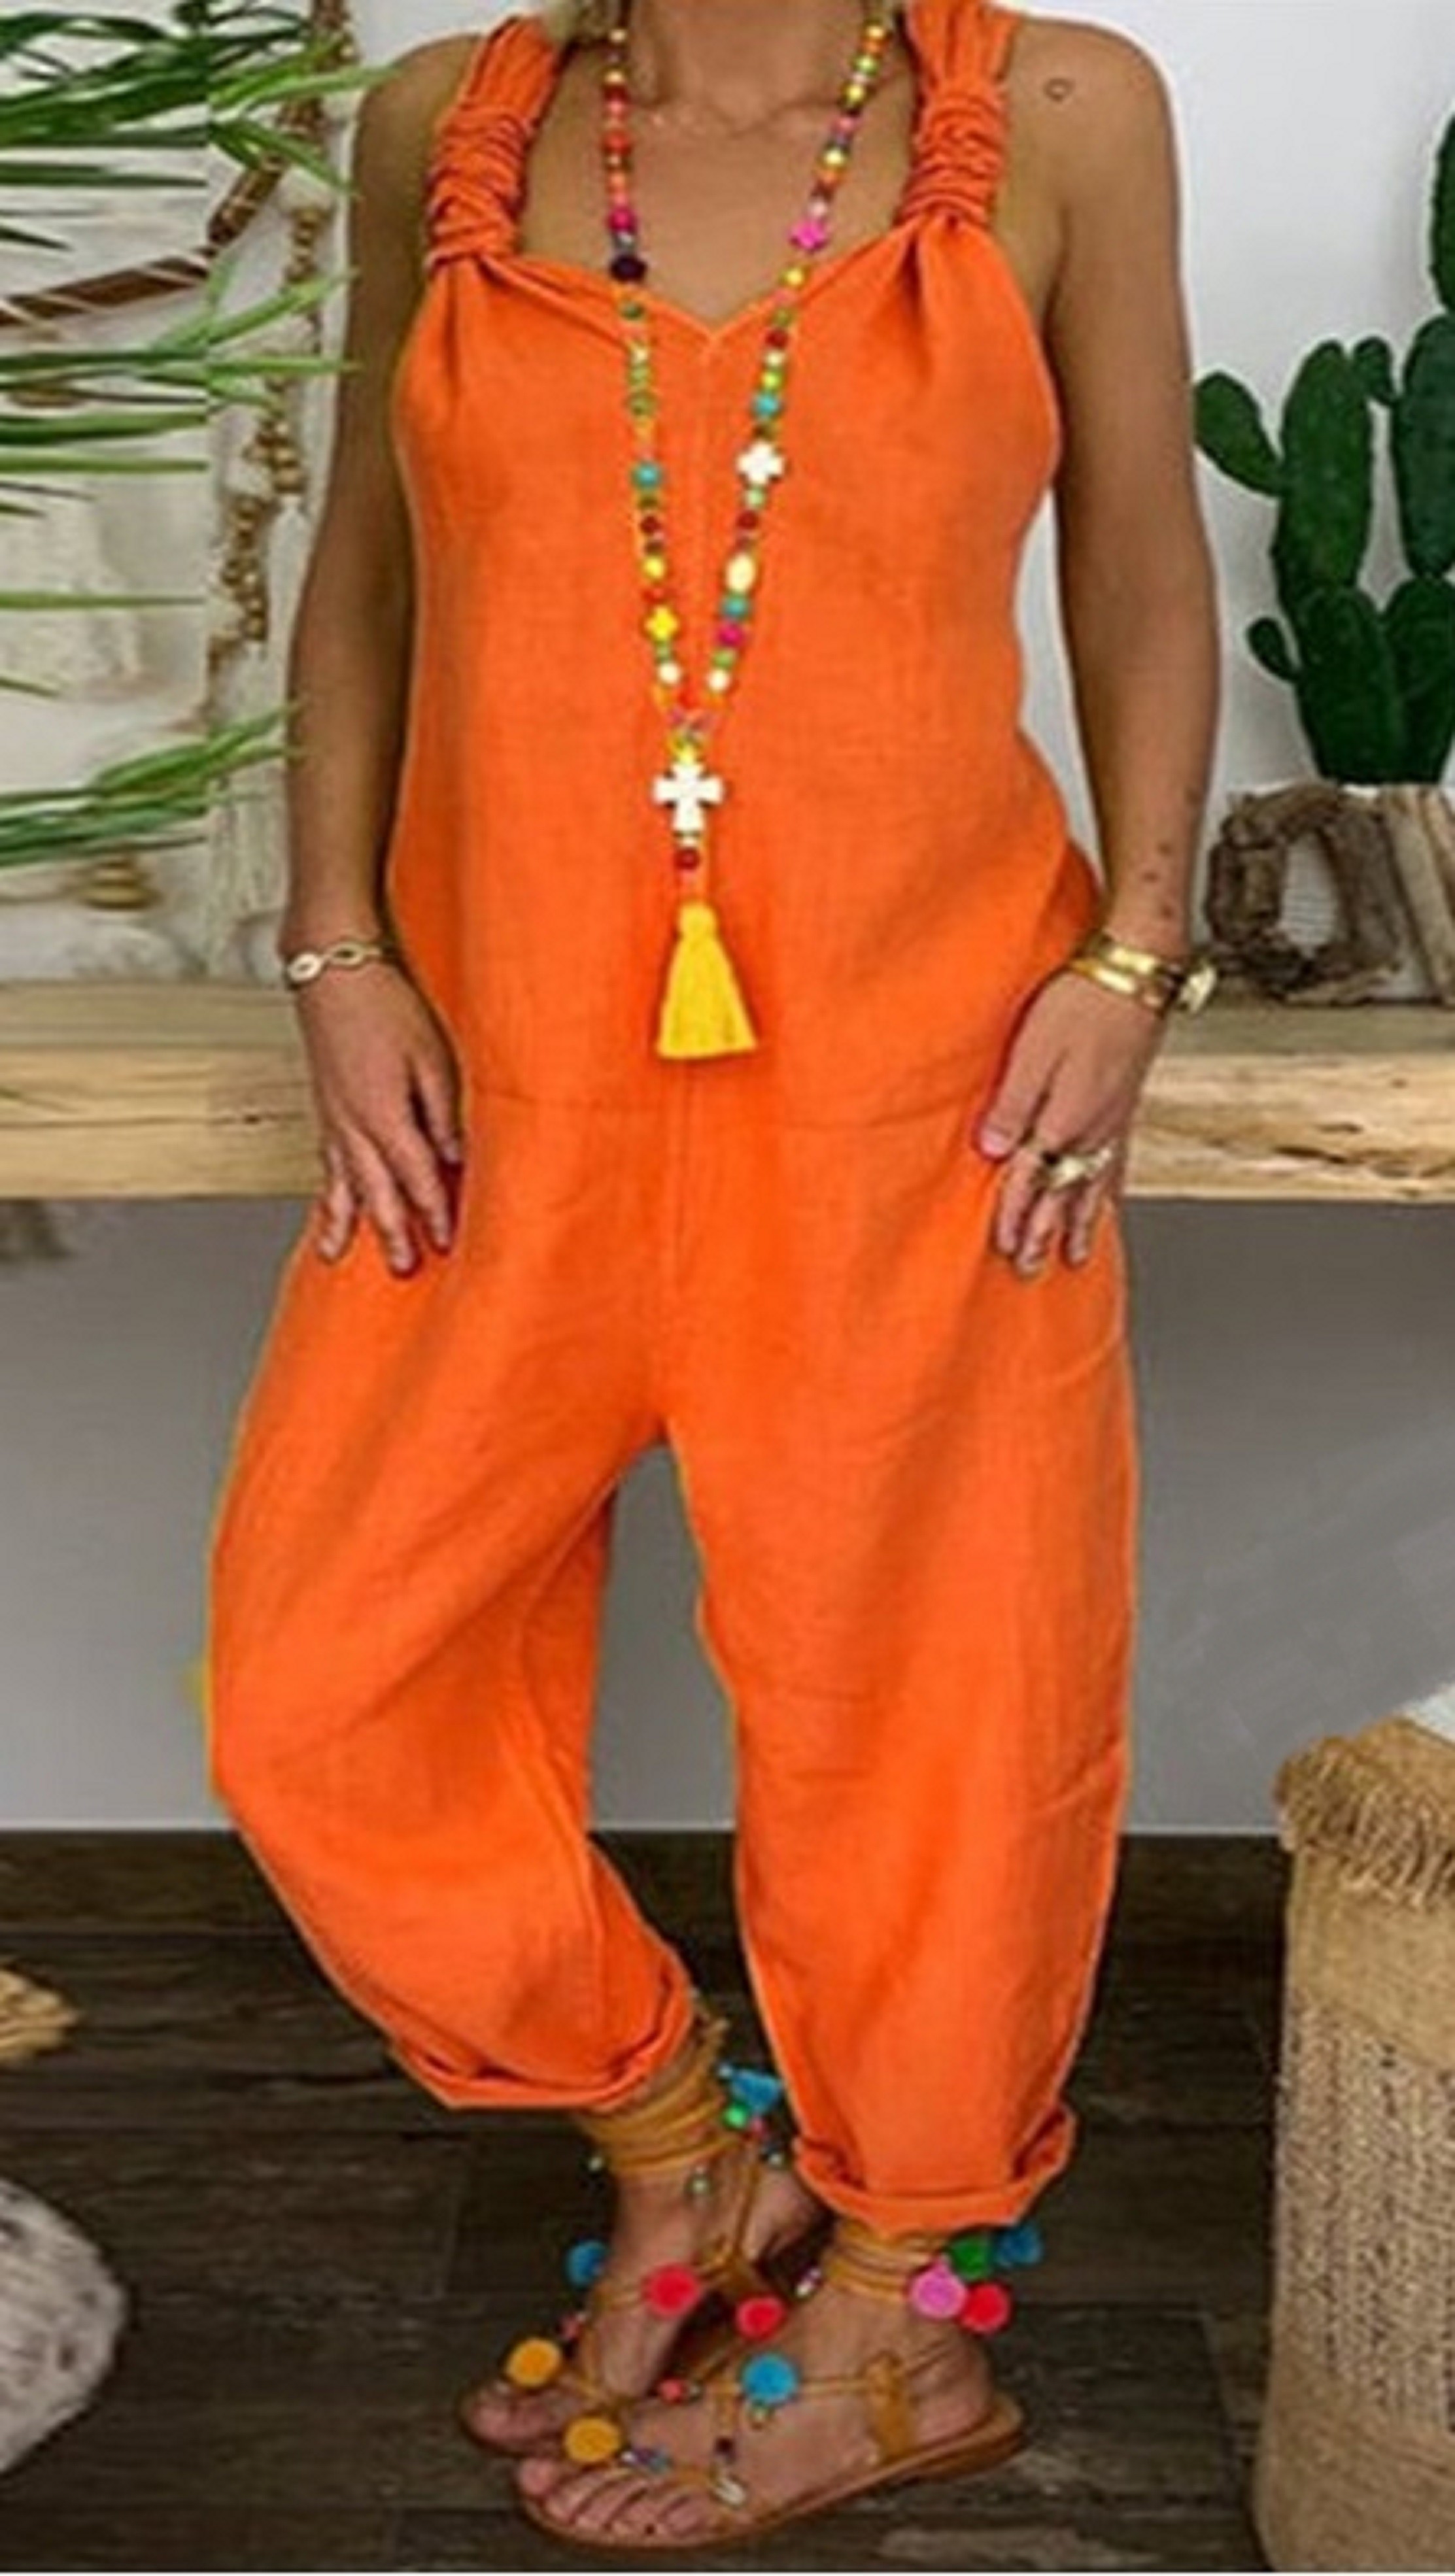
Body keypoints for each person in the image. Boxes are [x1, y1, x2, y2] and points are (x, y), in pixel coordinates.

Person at [204, 0, 1220, 2548]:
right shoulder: (451, 124)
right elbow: (362, 570)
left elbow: (1133, 555)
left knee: (931, 1709)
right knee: (322, 1684)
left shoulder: (1055, 114)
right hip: (502, 1080)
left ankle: (897, 2320)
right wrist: (336, 947)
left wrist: (1131, 955)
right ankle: (682, 2140)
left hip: (915, 1081)